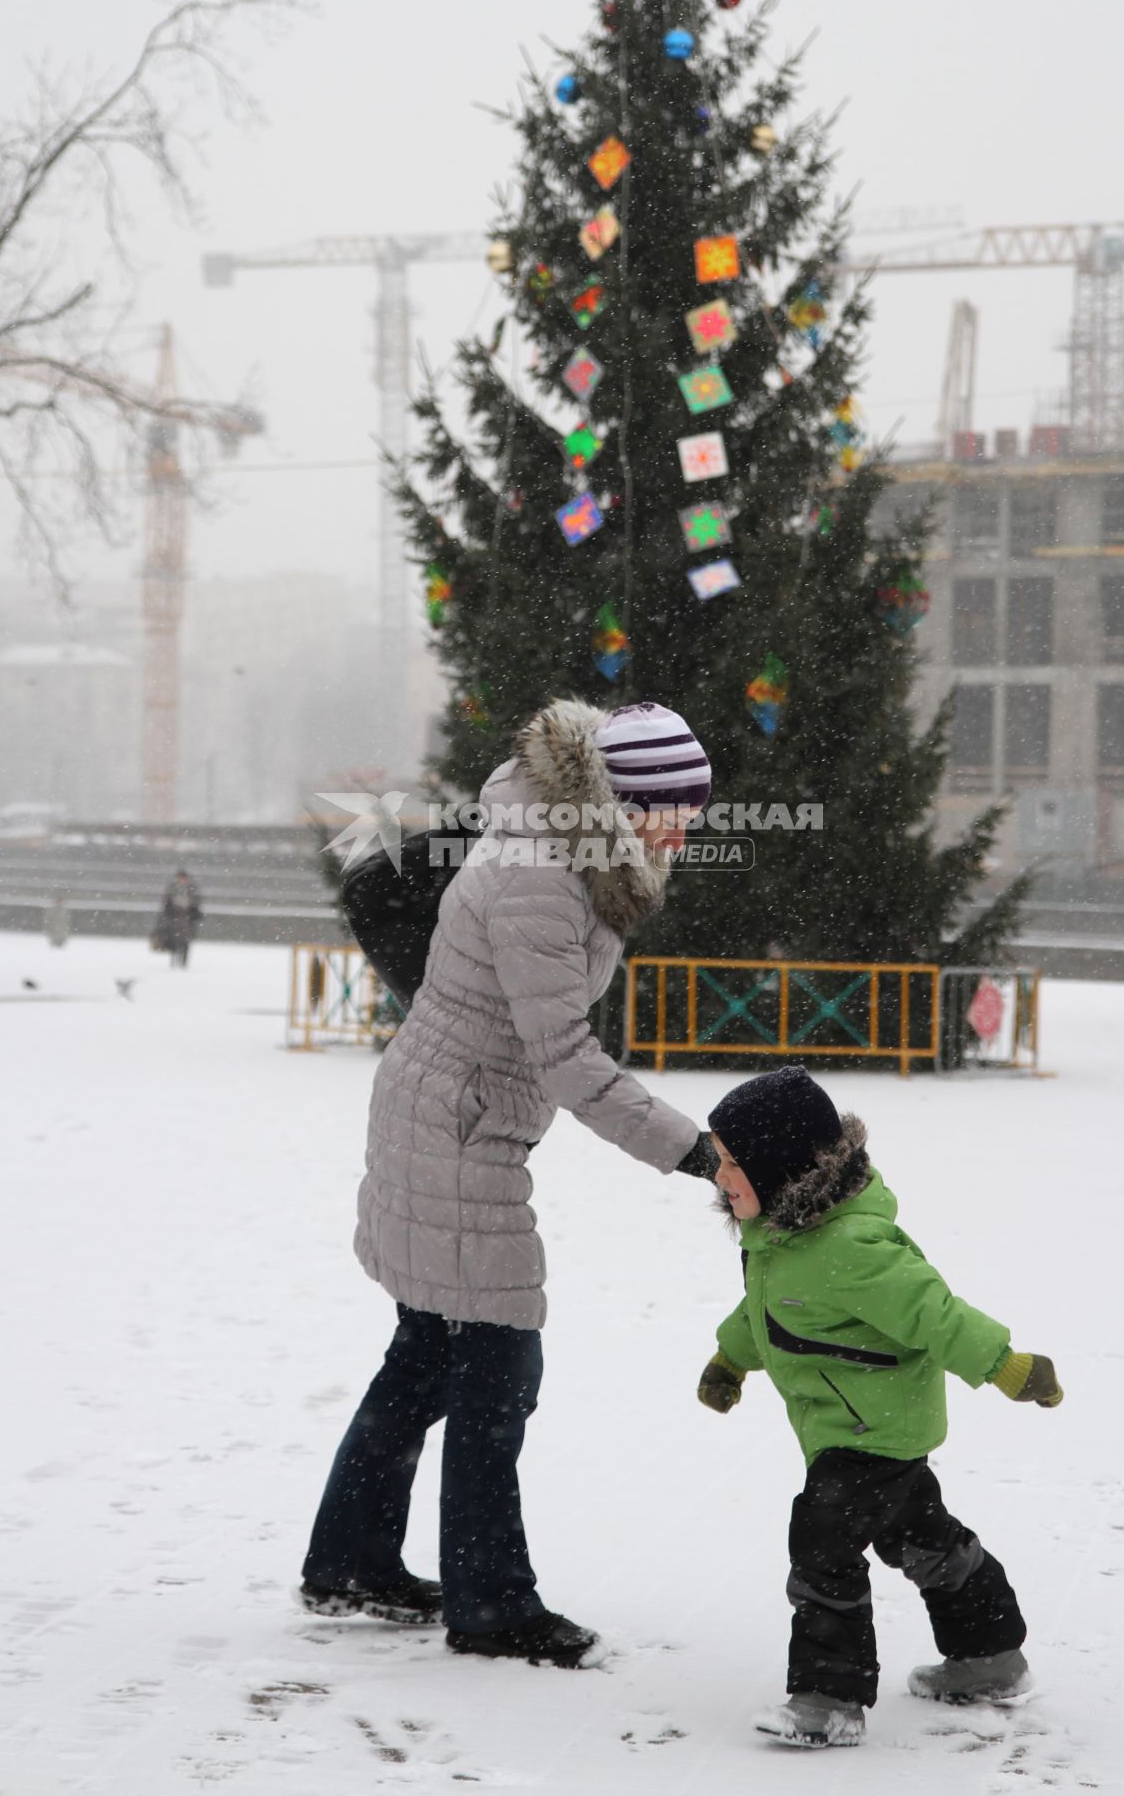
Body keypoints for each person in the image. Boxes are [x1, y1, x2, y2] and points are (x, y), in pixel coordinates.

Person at [301, 699, 719, 1666]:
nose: (687, 828)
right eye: (676, 807)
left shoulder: (563, 851)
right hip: (457, 1125)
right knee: (497, 1369)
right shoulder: (543, 876)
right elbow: (567, 1057)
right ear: (622, 796)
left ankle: (352, 1558)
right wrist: (692, 1151)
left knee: (428, 1357)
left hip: (452, 1108)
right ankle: (491, 1605)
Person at [698, 1066, 1062, 1750]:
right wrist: (729, 1359)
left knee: (822, 1543)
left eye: (731, 1163)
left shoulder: (851, 1249)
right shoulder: (781, 1237)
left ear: (780, 1168)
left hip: (867, 1432)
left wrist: (1006, 1367)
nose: (718, 1177)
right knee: (923, 1540)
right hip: (863, 1425)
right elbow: (765, 1311)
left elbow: (936, 1315)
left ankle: (829, 1699)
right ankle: (990, 1658)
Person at [153, 869, 202, 968]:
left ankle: (183, 962)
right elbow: (166, 902)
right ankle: (174, 959)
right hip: (174, 917)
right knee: (173, 939)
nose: (182, 880)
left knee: (186, 941)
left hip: (187, 918)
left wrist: (192, 913)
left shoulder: (191, 889)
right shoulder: (172, 888)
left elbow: (196, 903)